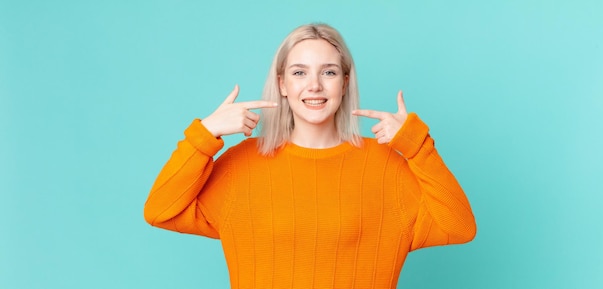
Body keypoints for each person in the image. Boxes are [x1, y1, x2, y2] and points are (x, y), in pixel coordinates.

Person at [144, 23, 476, 288]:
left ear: (345, 83)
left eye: (328, 72)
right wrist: (206, 133)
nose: (314, 85)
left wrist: (416, 145)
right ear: (282, 83)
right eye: (299, 72)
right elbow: (160, 211)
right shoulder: (241, 163)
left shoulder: (386, 165)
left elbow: (459, 227)